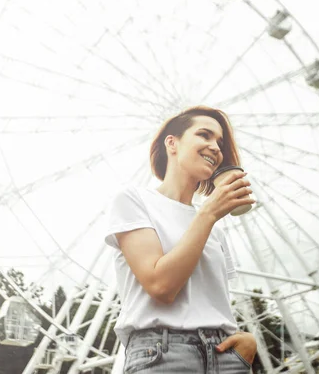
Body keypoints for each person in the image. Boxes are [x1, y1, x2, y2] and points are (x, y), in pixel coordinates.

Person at [104, 106, 258, 373]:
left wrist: (248, 344)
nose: (215, 147)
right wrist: (209, 213)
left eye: (219, 142)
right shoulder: (134, 201)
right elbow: (161, 286)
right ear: (172, 143)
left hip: (227, 356)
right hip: (163, 355)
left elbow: (210, 303)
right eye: (204, 135)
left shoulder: (215, 229)